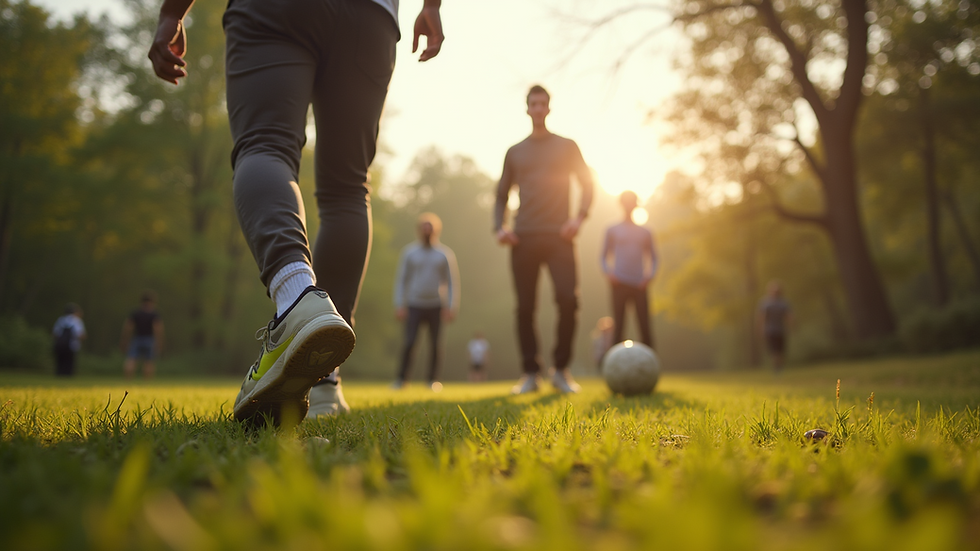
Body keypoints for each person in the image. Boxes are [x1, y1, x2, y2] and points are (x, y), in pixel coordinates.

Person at [148, 0, 445, 424]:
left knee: (265, 146)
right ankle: (325, 383)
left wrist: (171, 14)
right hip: (369, 17)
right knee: (347, 189)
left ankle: (296, 302)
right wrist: (431, 6)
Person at [494, 84, 594, 394]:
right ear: (527, 109)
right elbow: (501, 196)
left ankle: (561, 370)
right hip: (524, 238)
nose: (538, 109)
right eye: (533, 104)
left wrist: (579, 218)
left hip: (559, 237)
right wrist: (501, 227)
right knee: (525, 308)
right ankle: (530, 374)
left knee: (568, 300)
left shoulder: (567, 146)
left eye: (543, 104)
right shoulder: (515, 151)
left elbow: (588, 184)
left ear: (549, 108)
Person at [392, 213, 460, 391]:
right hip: (414, 304)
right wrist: (400, 304)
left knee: (435, 344)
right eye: (424, 228)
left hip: (436, 305)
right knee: (409, 342)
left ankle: (432, 380)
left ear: (436, 231)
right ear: (419, 231)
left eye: (430, 229)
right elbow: (402, 279)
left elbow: (452, 282)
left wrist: (451, 306)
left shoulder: (444, 254)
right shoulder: (409, 253)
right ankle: (401, 379)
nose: (427, 232)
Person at [600, 190, 658, 348]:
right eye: (625, 202)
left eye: (631, 202)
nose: (628, 206)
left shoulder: (646, 232)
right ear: (621, 204)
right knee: (618, 326)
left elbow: (653, 258)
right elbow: (603, 257)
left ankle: (650, 364)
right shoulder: (611, 229)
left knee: (644, 325)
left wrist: (649, 276)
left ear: (636, 205)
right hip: (619, 283)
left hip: (640, 284)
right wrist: (609, 273)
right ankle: (614, 366)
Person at [120, 291, 165, 379]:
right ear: (153, 302)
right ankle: (147, 384)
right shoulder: (154, 314)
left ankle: (127, 381)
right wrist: (159, 342)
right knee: (149, 362)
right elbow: (158, 329)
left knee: (131, 359)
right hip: (150, 339)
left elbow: (128, 327)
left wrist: (125, 339)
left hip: (137, 338)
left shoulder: (135, 313)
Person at [757, 280, 792, 373]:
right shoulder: (771, 303)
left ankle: (778, 368)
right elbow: (789, 316)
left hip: (777, 330)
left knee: (777, 351)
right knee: (776, 351)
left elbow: (788, 316)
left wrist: (761, 329)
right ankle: (778, 369)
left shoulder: (773, 303)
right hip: (773, 330)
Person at [52, 303, 86, 377]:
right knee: (69, 364)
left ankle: (59, 376)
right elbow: (80, 334)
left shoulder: (61, 319)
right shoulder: (77, 320)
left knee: (60, 363)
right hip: (72, 345)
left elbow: (55, 333)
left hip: (60, 345)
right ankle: (67, 378)